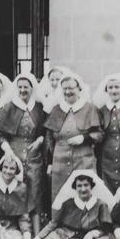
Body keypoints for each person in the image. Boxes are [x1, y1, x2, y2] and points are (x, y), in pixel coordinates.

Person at [25, 170, 117, 239]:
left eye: (86, 185)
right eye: (79, 186)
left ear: (92, 186)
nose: (83, 189)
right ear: (75, 188)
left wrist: (91, 234)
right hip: (61, 235)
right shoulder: (68, 203)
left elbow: (106, 228)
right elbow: (54, 223)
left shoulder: (100, 204)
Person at [0, 73, 47, 233]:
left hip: (34, 156)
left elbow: (46, 130)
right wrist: (7, 149)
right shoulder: (9, 107)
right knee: (15, 191)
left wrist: (40, 139)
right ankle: (17, 231)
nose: (23, 90)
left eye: (26, 87)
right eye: (20, 87)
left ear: (32, 88)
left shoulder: (39, 107)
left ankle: (37, 233)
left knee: (35, 191)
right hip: (14, 154)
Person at [44, 73, 103, 201]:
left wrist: (84, 138)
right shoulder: (56, 109)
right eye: (64, 88)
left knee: (83, 191)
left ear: (79, 89)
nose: (68, 91)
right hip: (60, 160)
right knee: (60, 193)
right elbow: (49, 138)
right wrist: (49, 162)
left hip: (83, 159)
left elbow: (99, 134)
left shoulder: (90, 108)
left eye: (71, 88)